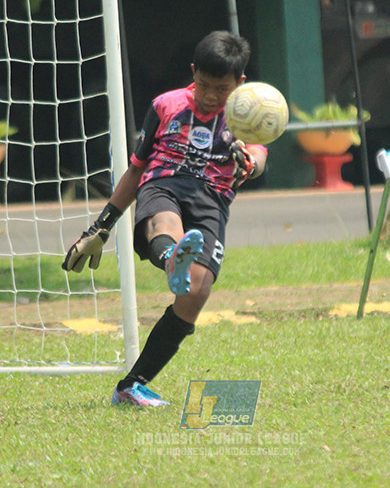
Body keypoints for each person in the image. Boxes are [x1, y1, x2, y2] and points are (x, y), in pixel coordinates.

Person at [62, 30, 267, 406]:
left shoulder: (247, 115)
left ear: (239, 83)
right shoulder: (165, 105)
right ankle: (173, 257)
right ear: (193, 72)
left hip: (212, 200)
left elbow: (259, 155)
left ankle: (131, 386)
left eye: (221, 89)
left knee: (196, 293)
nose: (210, 96)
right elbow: (136, 169)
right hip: (164, 183)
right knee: (165, 223)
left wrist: (250, 163)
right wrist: (101, 227)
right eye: (203, 85)